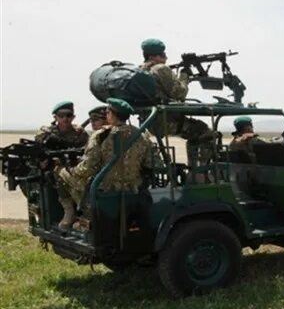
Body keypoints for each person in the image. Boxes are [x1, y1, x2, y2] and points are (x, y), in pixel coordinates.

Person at [55, 98, 153, 231]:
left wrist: (71, 169)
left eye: (107, 112)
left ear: (112, 114)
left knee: (60, 172)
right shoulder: (142, 135)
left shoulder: (101, 136)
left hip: (104, 190)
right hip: (133, 189)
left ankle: (77, 214)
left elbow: (87, 168)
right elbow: (150, 164)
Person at [140, 38, 215, 167]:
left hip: (150, 121)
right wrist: (184, 76)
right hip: (167, 121)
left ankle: (194, 170)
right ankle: (200, 172)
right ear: (153, 56)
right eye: (162, 55)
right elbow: (180, 93)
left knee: (195, 133)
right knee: (207, 133)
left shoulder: (141, 70)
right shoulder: (160, 69)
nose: (166, 57)